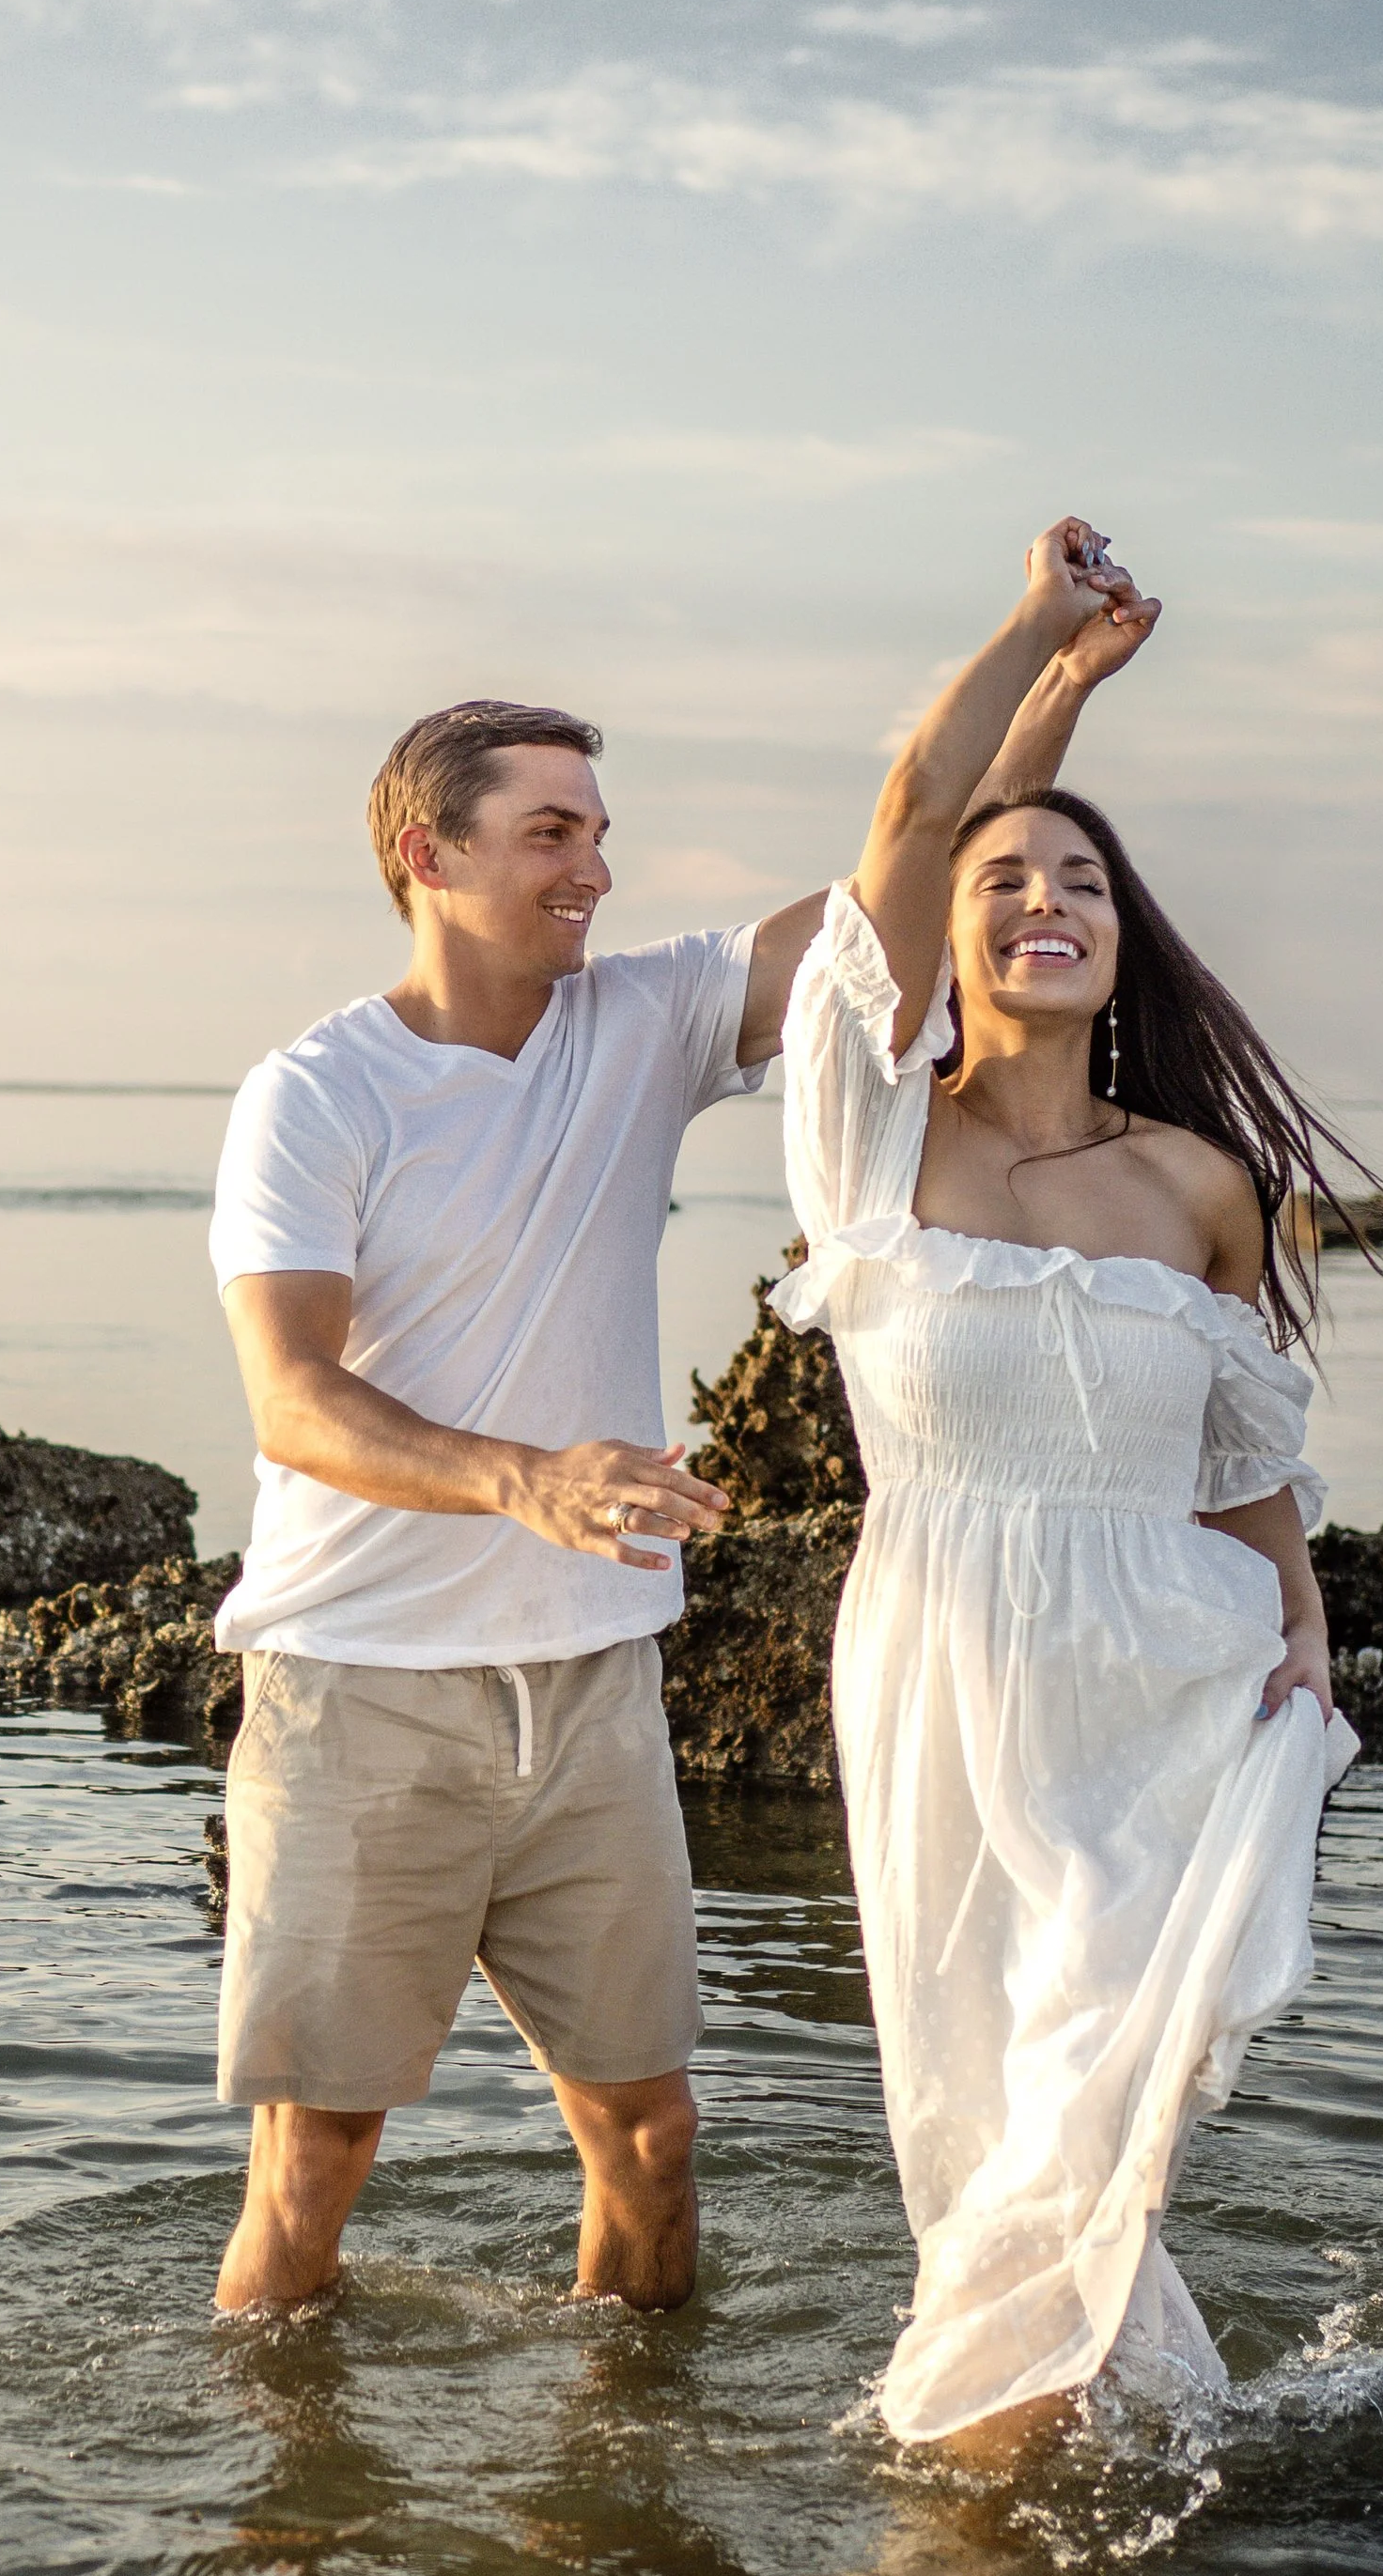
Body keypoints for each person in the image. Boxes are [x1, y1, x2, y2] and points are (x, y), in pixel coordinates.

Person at [205, 604, 1158, 2317]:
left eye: (599, 833)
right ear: (431, 852)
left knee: (651, 2141)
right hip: (361, 1688)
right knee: (315, 2164)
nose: (593, 870)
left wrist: (1055, 680)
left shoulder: (638, 1022)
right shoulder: (318, 1092)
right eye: (551, 833)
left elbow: (908, 874)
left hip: (589, 1692)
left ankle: (629, 2510)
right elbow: (291, 1398)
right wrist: (527, 1481)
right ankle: (287, 2537)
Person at [770, 517, 1363, 2465]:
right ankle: (1060, 2451)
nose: (1042, 899)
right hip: (947, 1676)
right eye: (1006, 878)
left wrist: (1299, 1631)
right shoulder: (872, 1141)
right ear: (942, 932)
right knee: (989, 2114)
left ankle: (1009, 2474)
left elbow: (1242, 1457)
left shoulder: (1195, 1183)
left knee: (1090, 2105)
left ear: (1122, 936)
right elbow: (914, 803)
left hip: (1166, 1690)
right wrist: (1045, 647)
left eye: (1081, 882)